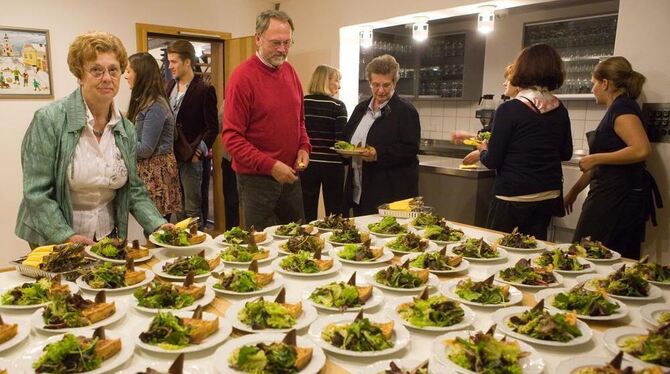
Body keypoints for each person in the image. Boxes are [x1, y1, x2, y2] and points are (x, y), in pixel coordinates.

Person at [15, 31, 168, 246]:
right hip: (54, 237)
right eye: (96, 70)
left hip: (107, 235)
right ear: (80, 74)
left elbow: (133, 189)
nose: (107, 78)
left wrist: (158, 225)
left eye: (113, 70)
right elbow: (37, 193)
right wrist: (65, 236)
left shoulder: (126, 129)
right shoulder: (49, 120)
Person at [465, 44, 572, 240]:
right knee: (535, 252)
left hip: (513, 196)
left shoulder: (510, 109)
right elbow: (566, 153)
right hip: (548, 195)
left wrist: (482, 150)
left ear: (522, 69)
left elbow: (493, 160)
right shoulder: (559, 108)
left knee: (500, 251)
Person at [222, 9, 311, 230]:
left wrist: (304, 146)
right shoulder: (242, 77)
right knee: (262, 248)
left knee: (298, 243)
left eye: (287, 42)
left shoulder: (290, 72)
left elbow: (299, 120)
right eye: (275, 43)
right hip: (256, 182)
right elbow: (231, 138)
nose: (282, 49)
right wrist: (271, 166)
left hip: (290, 176)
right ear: (258, 39)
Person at [565, 57, 660, 259]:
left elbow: (641, 149)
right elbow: (602, 164)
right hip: (610, 195)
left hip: (618, 199)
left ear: (605, 83)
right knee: (593, 256)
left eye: (593, 83)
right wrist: (574, 191)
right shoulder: (618, 108)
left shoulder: (623, 108)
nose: (592, 89)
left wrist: (596, 157)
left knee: (587, 256)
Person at [343, 54, 420, 216]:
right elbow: (346, 138)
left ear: (395, 83)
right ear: (369, 83)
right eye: (375, 84)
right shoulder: (361, 109)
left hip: (390, 194)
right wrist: (345, 150)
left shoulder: (405, 111)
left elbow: (410, 149)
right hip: (360, 190)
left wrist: (378, 153)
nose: (380, 90)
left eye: (386, 85)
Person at [165, 40, 218, 224]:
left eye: (174, 62)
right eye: (169, 61)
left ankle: (197, 247)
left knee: (192, 209)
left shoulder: (204, 89)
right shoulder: (168, 87)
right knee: (177, 207)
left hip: (191, 157)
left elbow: (212, 128)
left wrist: (198, 152)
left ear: (187, 62)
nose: (170, 66)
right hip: (172, 156)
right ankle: (181, 248)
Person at [125, 52, 182, 219]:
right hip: (149, 173)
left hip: (157, 176)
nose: (125, 75)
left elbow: (145, 149)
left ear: (140, 74)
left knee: (156, 231)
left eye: (129, 71)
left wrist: (119, 142)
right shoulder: (144, 101)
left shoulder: (155, 105)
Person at [301, 65, 348, 221]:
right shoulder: (338, 106)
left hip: (307, 163)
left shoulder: (302, 103)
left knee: (307, 210)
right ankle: (334, 242)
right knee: (334, 213)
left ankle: (306, 242)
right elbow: (340, 142)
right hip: (332, 164)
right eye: (337, 81)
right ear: (326, 81)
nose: (339, 85)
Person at [455, 64, 519, 165]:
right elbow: (494, 136)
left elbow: (503, 146)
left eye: (508, 80)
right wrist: (469, 136)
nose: (504, 83)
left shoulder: (508, 109)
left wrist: (482, 152)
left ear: (518, 82)